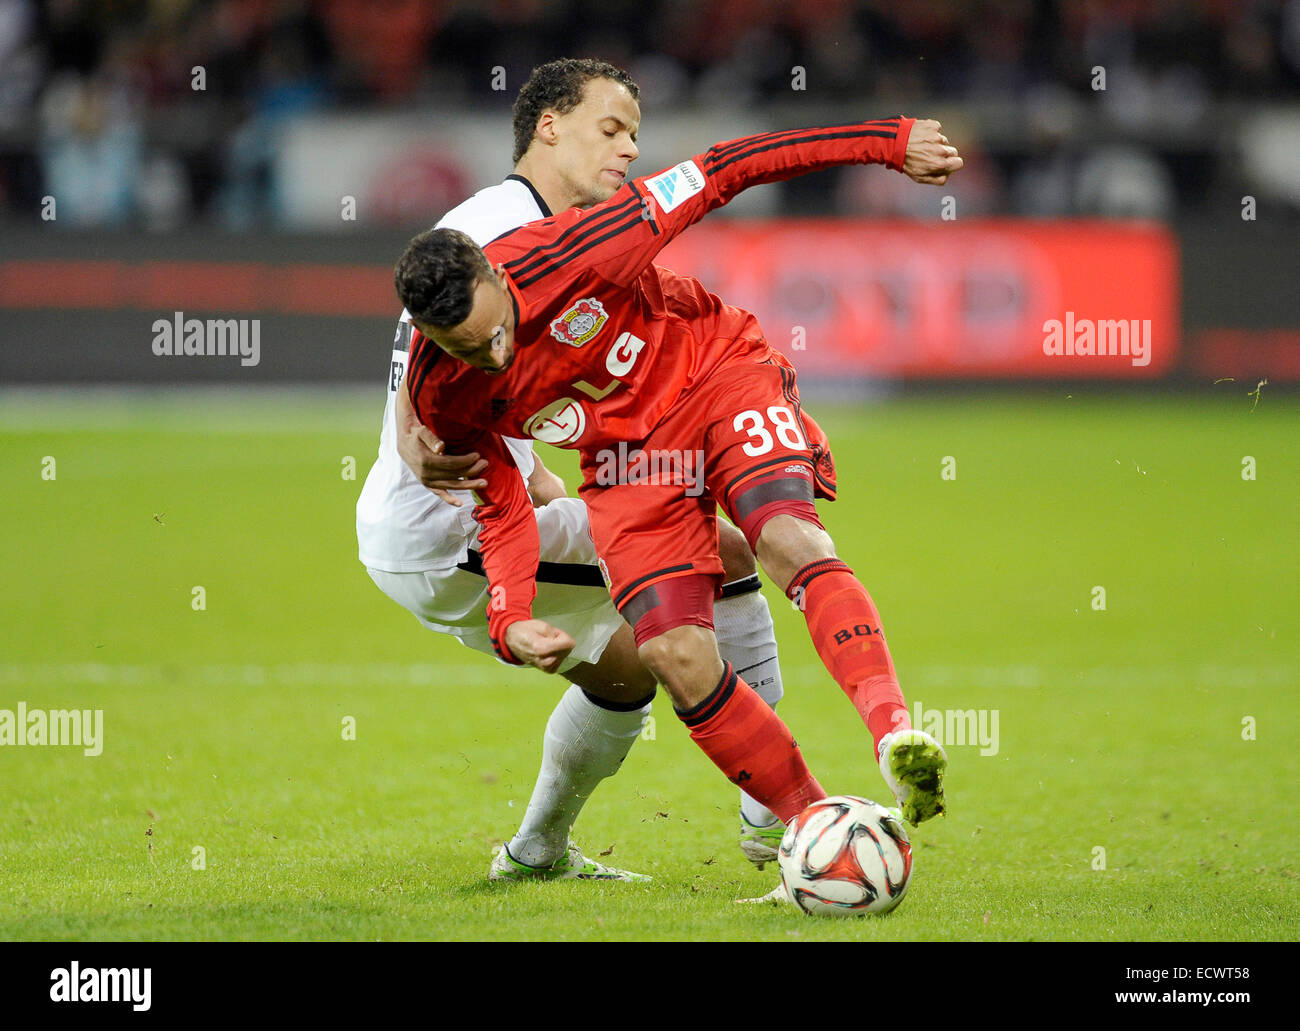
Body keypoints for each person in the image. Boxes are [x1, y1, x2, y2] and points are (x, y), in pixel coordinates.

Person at [395, 113, 964, 868]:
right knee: (673, 651)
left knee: (783, 536)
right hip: (627, 460)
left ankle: (894, 731)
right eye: (467, 346)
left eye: (494, 331)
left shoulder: (582, 244)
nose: (492, 354)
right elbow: (501, 505)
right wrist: (512, 618)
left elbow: (730, 163)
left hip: (715, 374)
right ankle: (806, 828)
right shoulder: (441, 392)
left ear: (498, 279)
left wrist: (887, 143)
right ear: (430, 337)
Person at [356, 59, 795, 882]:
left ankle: (535, 853)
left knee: (625, 674)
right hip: (446, 530)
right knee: (723, 552)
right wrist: (416, 432)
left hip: (433, 521)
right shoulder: (496, 230)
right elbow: (429, 353)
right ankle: (777, 810)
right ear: (547, 126)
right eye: (610, 128)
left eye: (634, 133)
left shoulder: (518, 226)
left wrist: (536, 478)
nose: (629, 148)